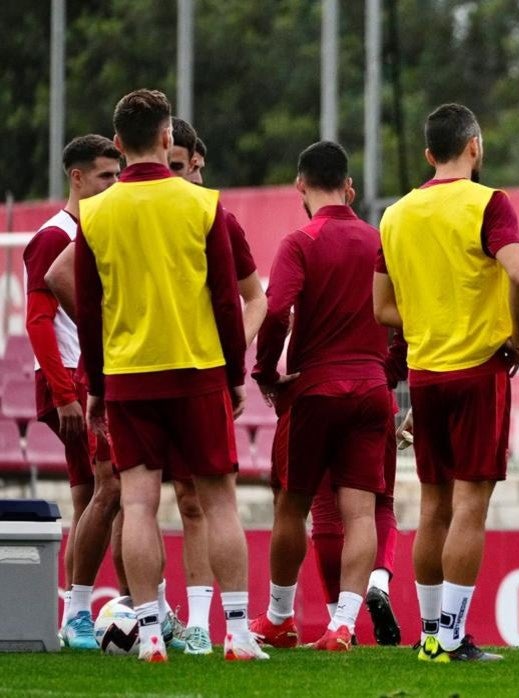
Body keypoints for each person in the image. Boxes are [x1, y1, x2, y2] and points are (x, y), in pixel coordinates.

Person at [75, 88, 264, 662]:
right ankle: (234, 634)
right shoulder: (203, 206)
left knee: (136, 503)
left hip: (131, 376)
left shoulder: (96, 211)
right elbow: (230, 304)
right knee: (220, 504)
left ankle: (151, 635)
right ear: (166, 138)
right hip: (198, 370)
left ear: (116, 144)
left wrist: (97, 388)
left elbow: (88, 306)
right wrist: (236, 373)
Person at [374, 103, 519, 662]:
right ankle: (454, 636)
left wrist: (427, 320)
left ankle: (429, 635)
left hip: (425, 374)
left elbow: (381, 308)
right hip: (477, 369)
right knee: (470, 505)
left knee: (434, 505)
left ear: (427, 154)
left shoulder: (394, 215)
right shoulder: (489, 202)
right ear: (475, 146)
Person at [248, 141, 391, 652]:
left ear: (300, 186)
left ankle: (281, 617)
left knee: (293, 504)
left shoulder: (300, 241)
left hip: (316, 387)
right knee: (361, 512)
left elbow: (276, 307)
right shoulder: (379, 240)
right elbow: (400, 317)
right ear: (349, 186)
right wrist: (386, 372)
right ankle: (344, 625)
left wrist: (266, 370)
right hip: (372, 389)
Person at [24, 135, 121, 650]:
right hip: (71, 381)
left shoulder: (95, 230)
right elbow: (39, 320)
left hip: (85, 379)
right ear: (77, 178)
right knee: (109, 493)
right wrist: (64, 393)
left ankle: (80, 614)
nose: (113, 184)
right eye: (105, 176)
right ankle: (80, 610)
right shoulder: (53, 236)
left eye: (117, 175)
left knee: (93, 496)